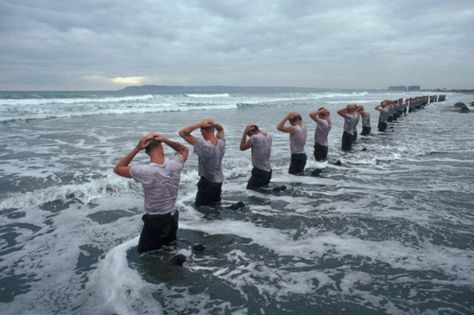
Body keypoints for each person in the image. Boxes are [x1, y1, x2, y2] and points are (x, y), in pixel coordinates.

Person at [113, 132, 189, 254]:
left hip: (155, 220)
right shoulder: (175, 164)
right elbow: (183, 149)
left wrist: (137, 148)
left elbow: (118, 168)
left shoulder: (143, 171)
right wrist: (165, 140)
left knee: (145, 254)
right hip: (172, 216)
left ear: (146, 151)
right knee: (169, 249)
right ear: (161, 147)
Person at [179, 119, 225, 207]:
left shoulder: (204, 145)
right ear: (213, 130)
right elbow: (221, 129)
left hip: (207, 182)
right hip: (219, 181)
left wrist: (199, 124)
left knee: (201, 209)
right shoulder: (221, 143)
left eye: (201, 130)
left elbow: (182, 133)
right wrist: (214, 123)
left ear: (203, 131)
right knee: (215, 206)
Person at [240, 124, 272, 190]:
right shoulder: (268, 135)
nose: (249, 137)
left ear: (251, 132)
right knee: (262, 192)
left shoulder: (254, 137)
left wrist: (245, 132)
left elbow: (242, 147)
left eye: (249, 135)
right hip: (268, 171)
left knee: (250, 190)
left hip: (259, 171)